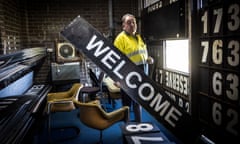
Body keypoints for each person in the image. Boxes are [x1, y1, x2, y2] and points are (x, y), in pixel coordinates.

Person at [113, 13, 154, 122]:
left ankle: (139, 126)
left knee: (138, 102)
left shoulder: (139, 37)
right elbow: (115, 61)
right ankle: (126, 131)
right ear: (123, 26)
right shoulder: (120, 39)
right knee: (126, 104)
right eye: (129, 22)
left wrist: (148, 59)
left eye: (134, 22)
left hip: (140, 75)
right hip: (126, 76)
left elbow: (141, 55)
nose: (132, 24)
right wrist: (116, 79)